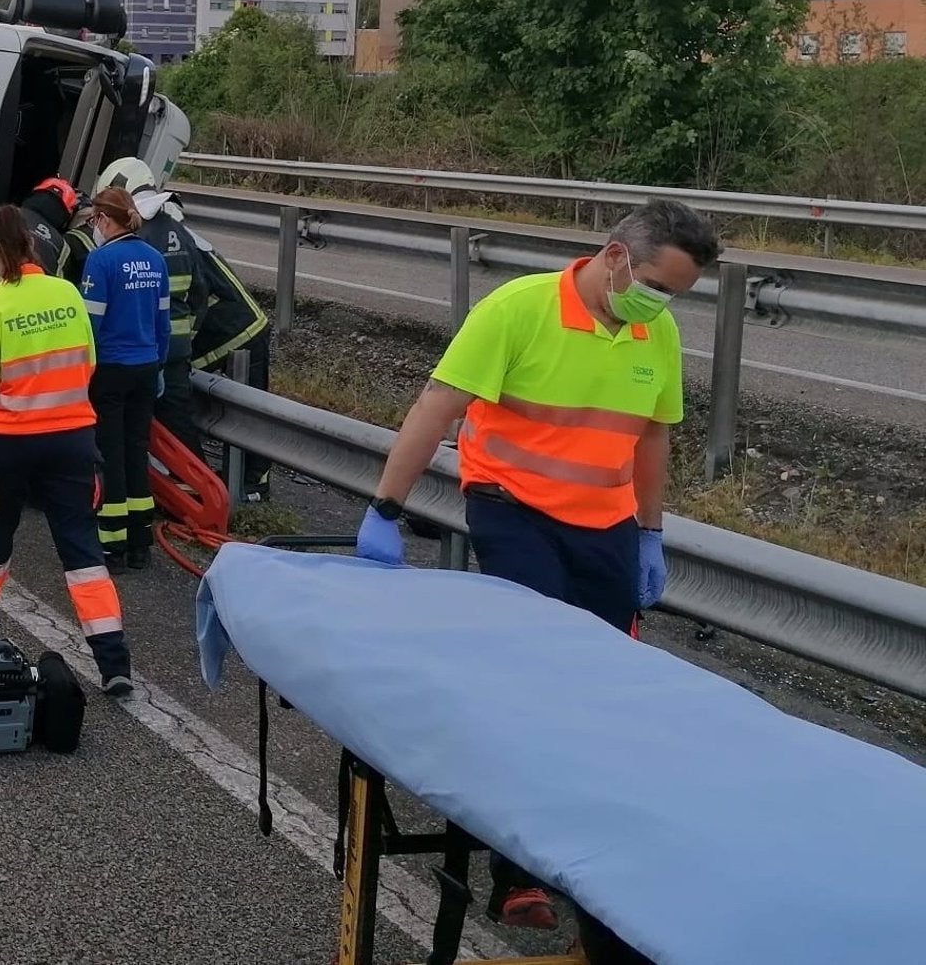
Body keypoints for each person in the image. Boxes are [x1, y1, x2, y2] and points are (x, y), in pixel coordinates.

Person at [353, 198, 721, 931]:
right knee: (536, 671)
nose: (660, 303)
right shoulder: (517, 310)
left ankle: (584, 850)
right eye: (655, 284)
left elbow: (652, 438)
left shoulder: (656, 330)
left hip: (606, 524)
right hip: (513, 506)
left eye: (676, 294)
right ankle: (514, 874)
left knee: (598, 687)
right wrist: (387, 507)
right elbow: (437, 406)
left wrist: (651, 533)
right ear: (614, 256)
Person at [0, 205, 134, 697]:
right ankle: (114, 663)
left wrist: (10, 407)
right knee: (82, 552)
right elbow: (88, 364)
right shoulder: (67, 294)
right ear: (33, 246)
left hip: (11, 444)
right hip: (73, 442)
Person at [121, 175, 275, 501]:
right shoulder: (172, 230)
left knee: (182, 405)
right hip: (228, 326)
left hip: (234, 328)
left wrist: (180, 345)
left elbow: (193, 296)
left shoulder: (158, 237)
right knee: (185, 403)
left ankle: (232, 487)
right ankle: (214, 484)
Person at [0, 177, 79, 504]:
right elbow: (57, 288)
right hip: (35, 336)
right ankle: (27, 483)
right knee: (30, 407)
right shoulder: (60, 244)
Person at [80, 187, 169, 570]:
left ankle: (112, 546)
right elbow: (162, 323)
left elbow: (89, 328)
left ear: (102, 219)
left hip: (111, 369)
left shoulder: (100, 262)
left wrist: (82, 375)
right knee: (136, 449)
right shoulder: (154, 259)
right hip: (147, 366)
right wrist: (159, 364)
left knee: (110, 452)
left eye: (94, 220)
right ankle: (140, 542)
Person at [96, 158, 206, 456]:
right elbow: (200, 293)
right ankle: (189, 488)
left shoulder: (135, 238)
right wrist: (187, 338)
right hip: (175, 348)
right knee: (176, 419)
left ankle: (195, 490)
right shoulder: (179, 230)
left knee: (134, 432)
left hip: (144, 349)